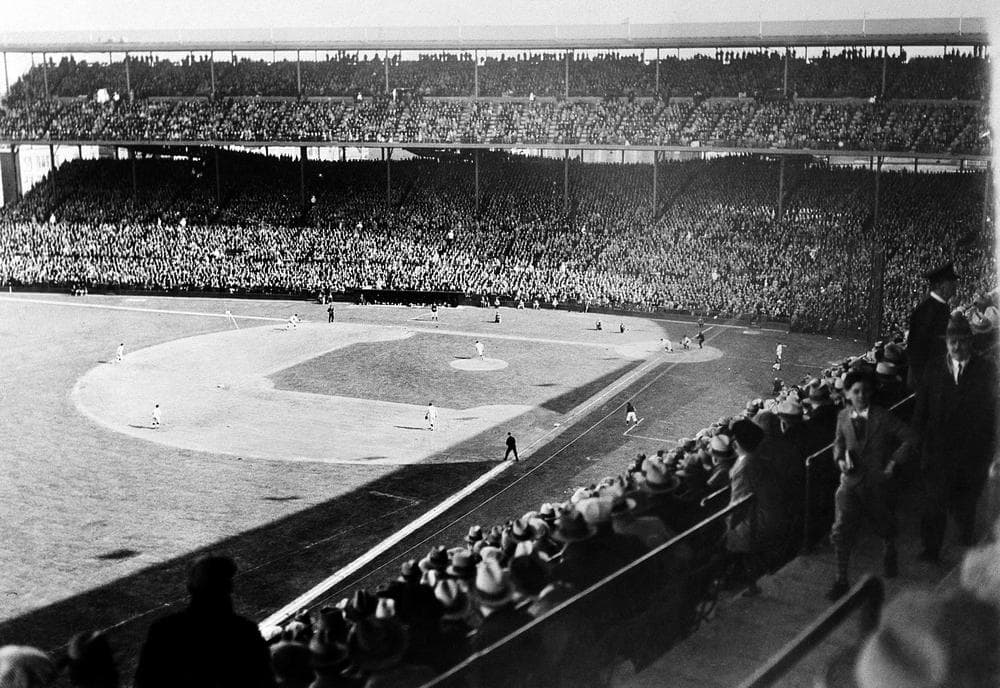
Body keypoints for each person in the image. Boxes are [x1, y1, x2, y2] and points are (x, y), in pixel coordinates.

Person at [912, 313, 997, 563]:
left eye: (962, 340)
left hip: (971, 453)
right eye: (953, 341)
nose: (957, 346)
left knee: (966, 499)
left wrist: (990, 449)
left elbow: (992, 413)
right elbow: (921, 411)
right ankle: (931, 549)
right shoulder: (934, 369)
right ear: (946, 343)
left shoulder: (986, 370)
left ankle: (966, 534)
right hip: (938, 453)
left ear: (971, 341)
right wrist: (920, 446)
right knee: (933, 505)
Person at [827, 370, 914, 601]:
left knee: (884, 524)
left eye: (865, 391)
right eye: (856, 391)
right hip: (850, 483)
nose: (861, 395)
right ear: (847, 394)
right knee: (841, 529)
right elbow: (838, 443)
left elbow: (910, 437)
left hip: (877, 483)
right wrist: (840, 460)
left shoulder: (882, 417)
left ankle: (889, 549)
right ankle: (841, 579)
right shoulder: (843, 417)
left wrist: (893, 462)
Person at [134, 555, 275, 688]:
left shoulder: (163, 629)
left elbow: (143, 681)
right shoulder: (245, 631)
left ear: (189, 587)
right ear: (229, 587)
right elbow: (265, 681)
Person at [907, 262, 958, 390]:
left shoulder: (940, 307)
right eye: (951, 281)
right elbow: (917, 351)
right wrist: (924, 384)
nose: (955, 285)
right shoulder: (926, 311)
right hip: (928, 380)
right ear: (941, 286)